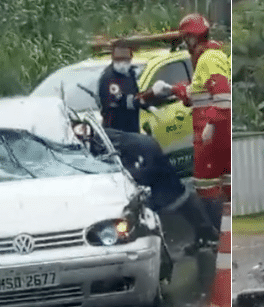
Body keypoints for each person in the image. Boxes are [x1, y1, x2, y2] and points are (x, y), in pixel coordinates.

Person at [97, 43, 218, 254]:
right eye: (120, 60)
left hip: (134, 139)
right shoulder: (110, 79)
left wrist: (148, 102)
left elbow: (133, 100)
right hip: (119, 141)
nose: (124, 64)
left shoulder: (129, 76)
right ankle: (190, 234)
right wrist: (149, 95)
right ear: (113, 59)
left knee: (161, 188)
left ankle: (201, 232)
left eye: (127, 59)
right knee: (146, 192)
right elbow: (122, 102)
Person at [162, 14, 231, 213]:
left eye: (186, 39)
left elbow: (223, 96)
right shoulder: (209, 58)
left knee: (206, 184)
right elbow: (198, 92)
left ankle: (214, 229)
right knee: (222, 183)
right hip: (215, 130)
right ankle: (223, 230)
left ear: (192, 38)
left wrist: (210, 123)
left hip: (211, 133)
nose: (185, 44)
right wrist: (174, 89)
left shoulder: (209, 59)